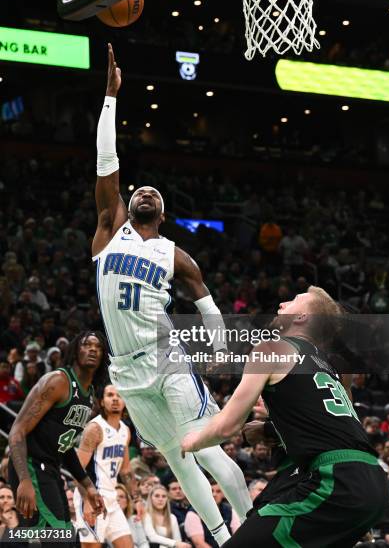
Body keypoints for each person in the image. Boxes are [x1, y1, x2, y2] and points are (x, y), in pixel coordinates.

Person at [92, 44, 251, 547]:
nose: (145, 193)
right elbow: (106, 160)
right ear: (129, 201)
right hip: (127, 371)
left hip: (167, 358)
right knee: (179, 458)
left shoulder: (176, 256)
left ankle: (253, 521)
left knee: (204, 449)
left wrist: (220, 350)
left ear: (160, 213)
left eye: (154, 196)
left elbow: (208, 308)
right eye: (139, 190)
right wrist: (111, 97)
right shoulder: (107, 232)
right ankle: (224, 537)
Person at [182, 287, 389, 547]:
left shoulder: (271, 348)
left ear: (302, 317)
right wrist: (272, 428)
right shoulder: (325, 364)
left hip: (336, 480)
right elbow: (331, 426)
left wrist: (192, 441)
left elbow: (228, 425)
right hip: (369, 481)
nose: (281, 303)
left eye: (293, 300)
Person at [8, 331, 107, 545]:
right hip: (32, 466)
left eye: (98, 347)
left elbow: (65, 444)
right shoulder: (58, 382)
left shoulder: (89, 394)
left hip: (50, 469)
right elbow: (17, 431)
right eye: (86, 344)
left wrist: (88, 485)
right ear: (74, 350)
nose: (92, 349)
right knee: (60, 538)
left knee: (54, 537)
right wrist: (24, 480)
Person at [73, 383, 137, 548]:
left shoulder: (125, 430)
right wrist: (87, 501)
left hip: (111, 497)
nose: (115, 399)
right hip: (92, 495)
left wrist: (137, 499)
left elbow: (126, 470)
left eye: (119, 395)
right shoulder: (95, 428)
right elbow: (77, 469)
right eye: (110, 395)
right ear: (101, 402)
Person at [184, 481, 240, 548]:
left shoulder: (230, 510)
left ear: (223, 494)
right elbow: (199, 544)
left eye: (218, 491)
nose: (214, 494)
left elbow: (238, 536)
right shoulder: (193, 514)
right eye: (211, 491)